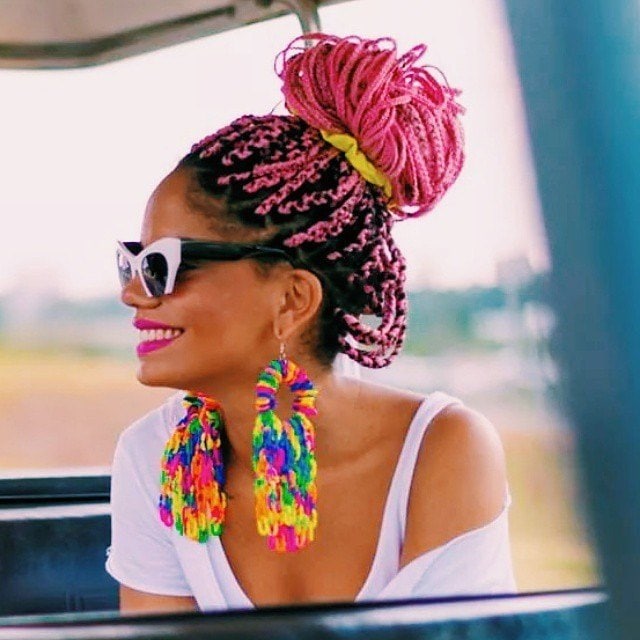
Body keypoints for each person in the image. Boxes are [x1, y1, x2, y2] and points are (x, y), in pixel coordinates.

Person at [105, 33, 516, 614]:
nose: (132, 293)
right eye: (132, 262)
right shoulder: (155, 456)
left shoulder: (442, 451)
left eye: (164, 265)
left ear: (293, 299)